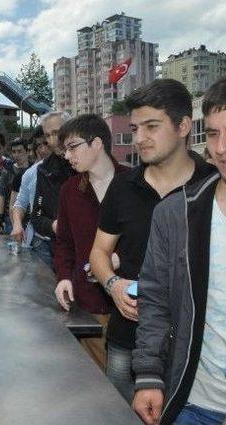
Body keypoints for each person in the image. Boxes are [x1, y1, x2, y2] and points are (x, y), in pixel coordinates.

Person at [89, 79, 215, 403]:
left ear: (184, 126)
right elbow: (100, 252)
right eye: (135, 128)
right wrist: (114, 285)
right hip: (127, 337)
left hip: (194, 347)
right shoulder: (122, 187)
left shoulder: (212, 185)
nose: (140, 138)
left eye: (152, 126)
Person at [132, 78, 226, 425]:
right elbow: (155, 298)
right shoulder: (176, 213)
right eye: (214, 134)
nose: (221, 148)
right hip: (194, 403)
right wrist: (148, 375)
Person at [52, 114, 128, 370]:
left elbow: (152, 242)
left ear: (97, 143)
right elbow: (63, 243)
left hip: (130, 305)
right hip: (87, 304)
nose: (67, 155)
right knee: (96, 386)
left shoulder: (134, 184)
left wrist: (120, 258)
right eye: (65, 150)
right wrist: (63, 276)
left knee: (127, 386)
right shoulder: (70, 190)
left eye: (72, 147)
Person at [29, 111, 74, 264]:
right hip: (61, 250)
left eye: (56, 132)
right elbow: (37, 217)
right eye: (48, 135)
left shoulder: (89, 162)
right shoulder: (44, 170)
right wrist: (54, 225)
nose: (53, 140)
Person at [0, 138, 31, 234]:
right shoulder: (7, 171)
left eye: (20, 151)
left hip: (31, 217)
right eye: (14, 152)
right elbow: (1, 194)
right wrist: (0, 218)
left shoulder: (34, 169)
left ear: (27, 151)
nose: (16, 155)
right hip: (11, 216)